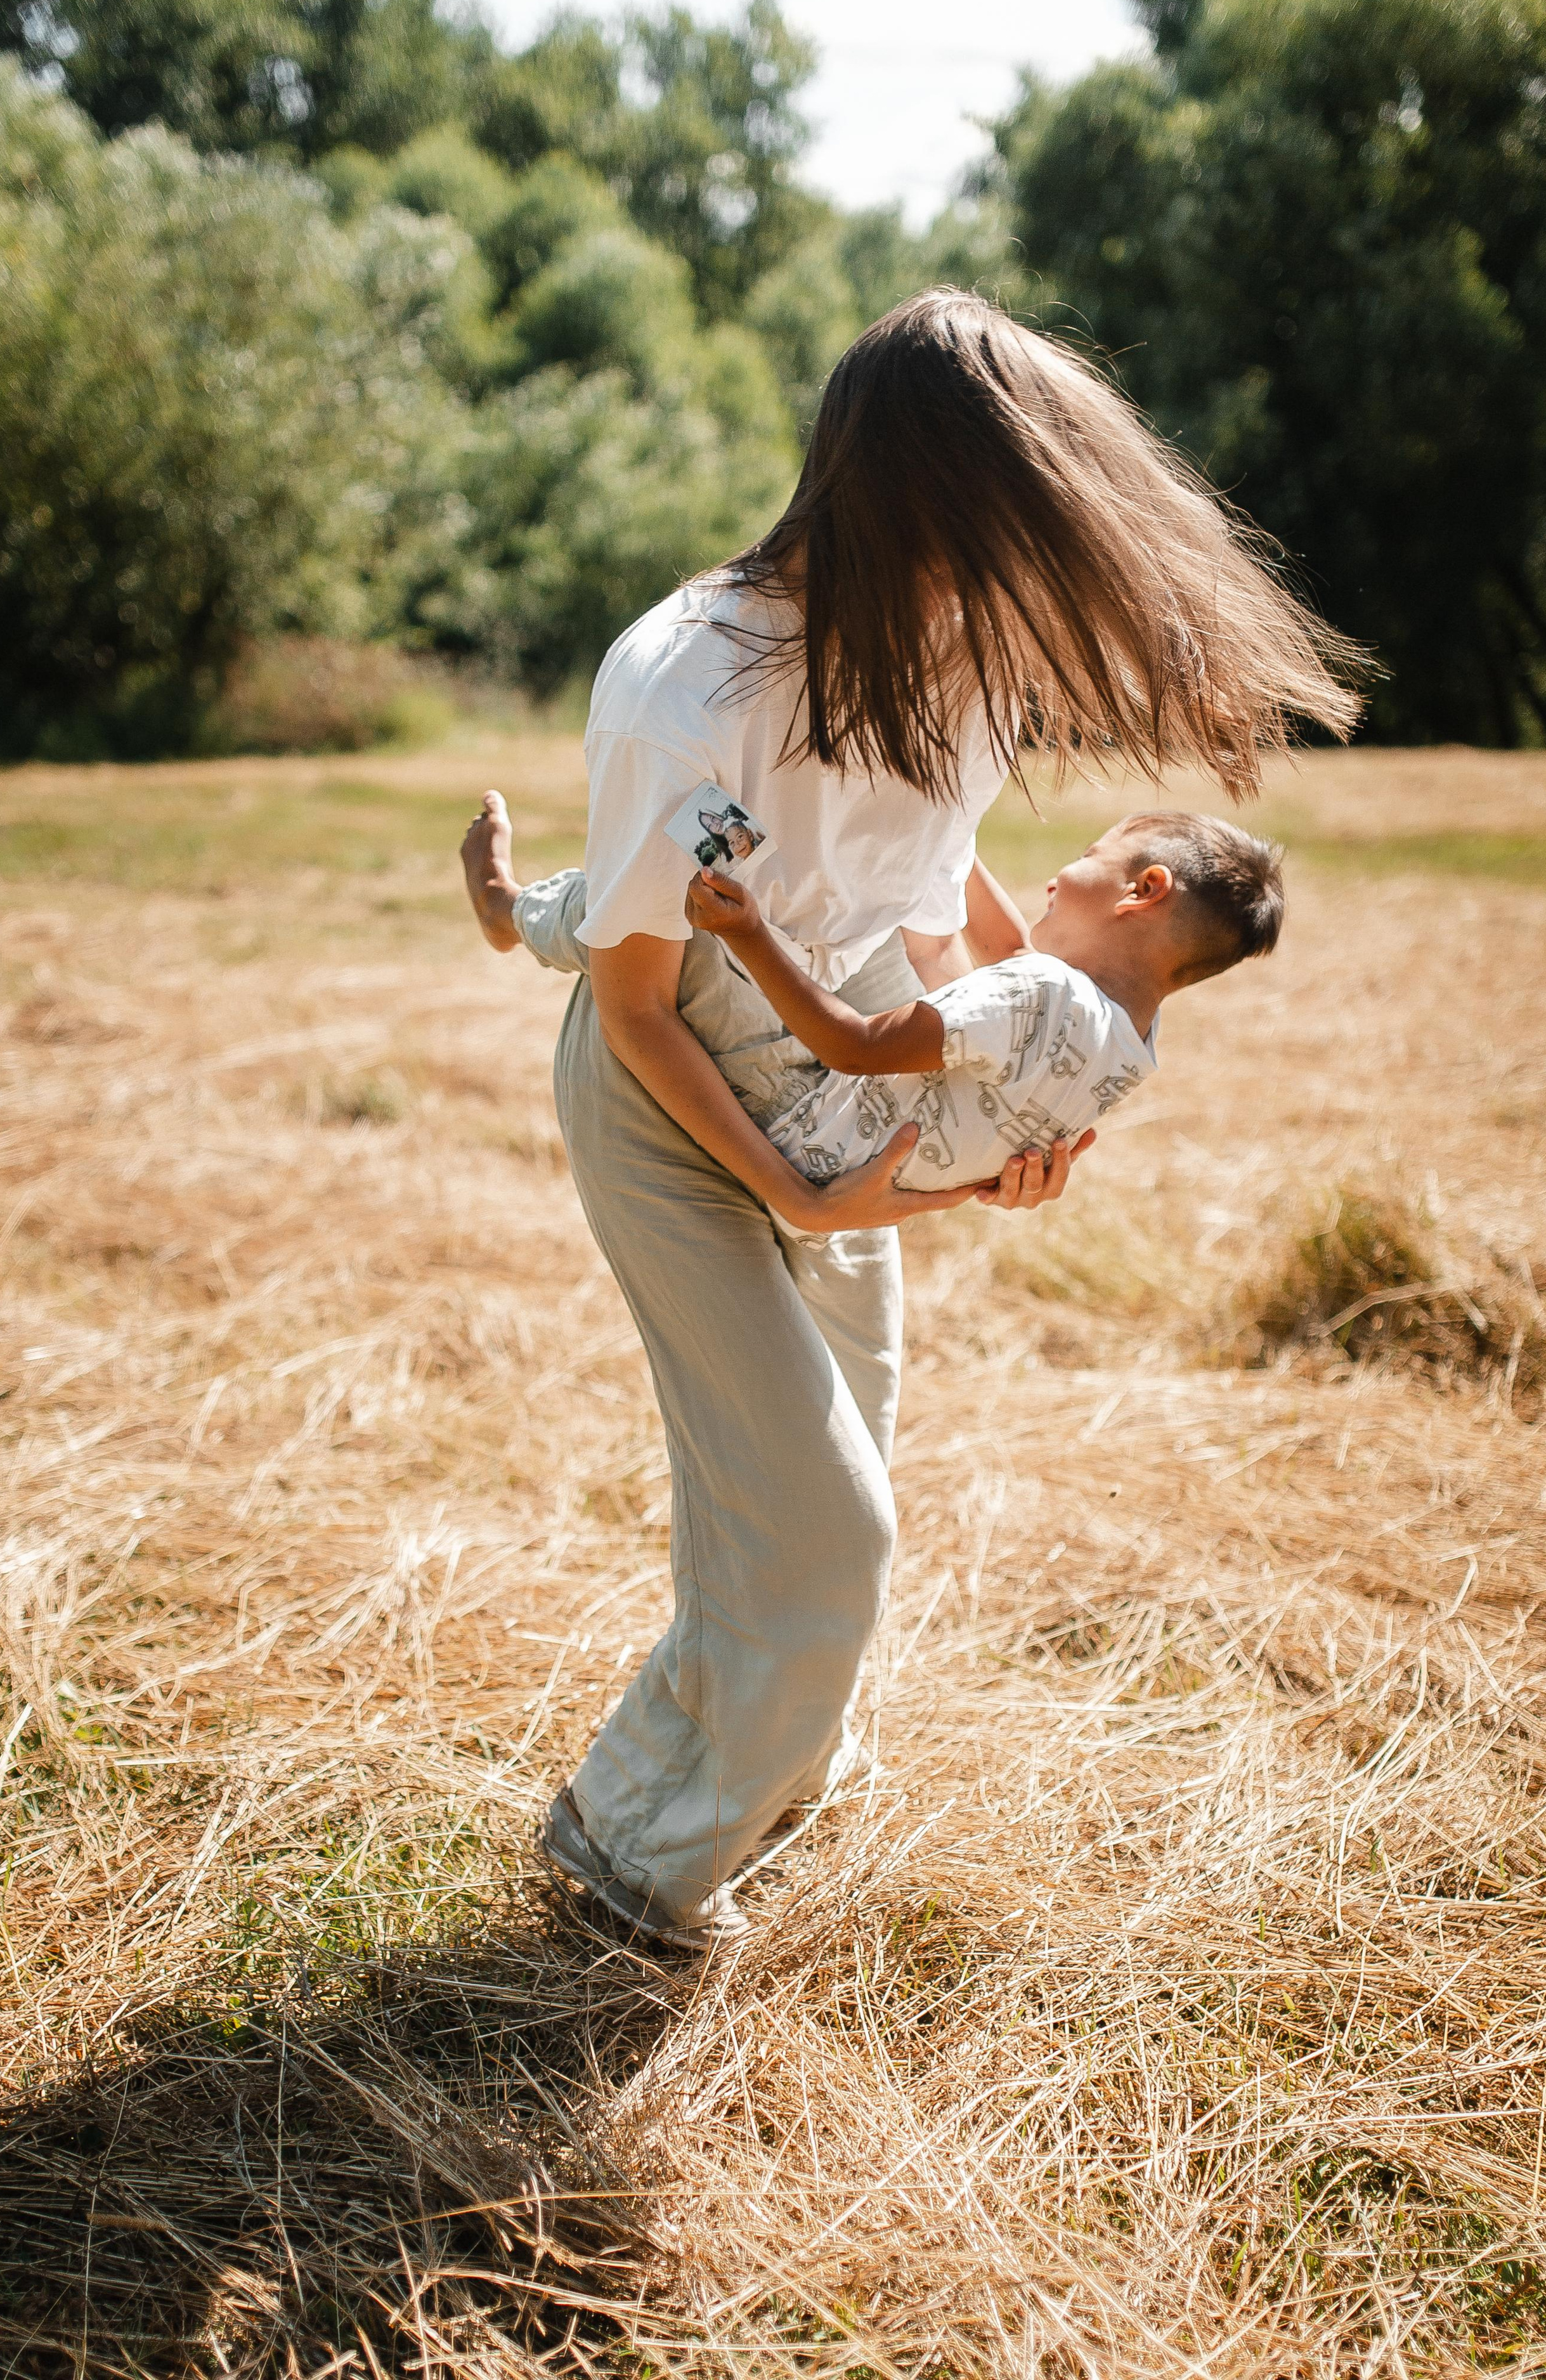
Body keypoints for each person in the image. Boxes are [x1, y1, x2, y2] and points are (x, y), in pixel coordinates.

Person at [459, 291, 1361, 1954]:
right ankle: (631, 1861)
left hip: (852, 1079)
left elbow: (938, 903)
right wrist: (791, 1195)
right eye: (1011, 538)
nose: (1035, 593)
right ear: (913, 499)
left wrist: (1043, 1094)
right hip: (679, 1105)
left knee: (833, 1473)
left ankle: (760, 1772)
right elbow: (647, 1006)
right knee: (822, 1516)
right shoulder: (686, 689)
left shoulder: (957, 651)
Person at [469, 808, 1282, 1208]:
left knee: (673, 887)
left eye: (1087, 858)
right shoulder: (1131, 1042)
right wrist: (940, 824)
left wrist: (753, 935)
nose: (1056, 875)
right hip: (859, 1175)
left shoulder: (1045, 997)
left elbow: (852, 1045)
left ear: (1143, 893)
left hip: (794, 1112)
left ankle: (510, 910)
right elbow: (1008, 957)